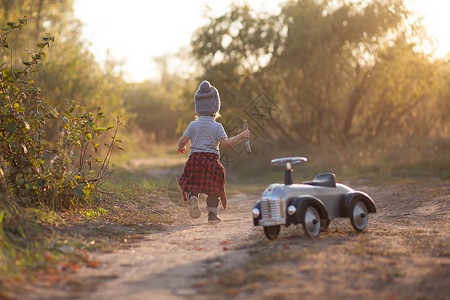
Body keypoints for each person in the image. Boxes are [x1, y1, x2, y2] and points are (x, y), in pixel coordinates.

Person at [177, 80, 250, 223]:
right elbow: (227, 144)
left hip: (194, 161)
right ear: (216, 108)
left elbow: (182, 141)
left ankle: (193, 196)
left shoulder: (193, 125)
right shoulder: (217, 127)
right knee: (214, 187)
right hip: (210, 162)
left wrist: (181, 148)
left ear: (198, 107)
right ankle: (212, 215)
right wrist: (242, 136)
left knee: (193, 182)